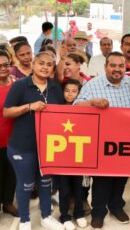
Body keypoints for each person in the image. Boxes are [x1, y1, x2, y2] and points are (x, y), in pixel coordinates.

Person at [4, 51, 65, 230]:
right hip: (22, 146)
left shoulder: (55, 87)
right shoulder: (21, 85)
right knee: (26, 184)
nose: (45, 67)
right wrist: (29, 107)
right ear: (33, 64)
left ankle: (46, 216)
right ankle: (25, 220)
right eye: (41, 63)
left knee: (46, 183)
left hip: (48, 146)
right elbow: (7, 112)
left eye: (49, 64)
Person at [74, 52, 130, 229]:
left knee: (121, 178)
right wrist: (92, 102)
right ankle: (98, 212)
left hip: (126, 141)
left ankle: (116, 206)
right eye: (113, 65)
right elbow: (75, 106)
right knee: (102, 180)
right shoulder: (92, 85)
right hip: (102, 143)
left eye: (120, 66)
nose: (117, 69)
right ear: (105, 66)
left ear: (125, 68)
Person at [58, 79, 87, 230]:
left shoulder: (83, 109)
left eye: (74, 91)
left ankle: (79, 213)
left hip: (79, 155)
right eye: (67, 90)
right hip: (62, 156)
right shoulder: (55, 108)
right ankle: (64, 216)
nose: (70, 94)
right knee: (64, 188)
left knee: (79, 187)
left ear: (79, 93)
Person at [0, 50, 18, 218]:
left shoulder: (17, 84)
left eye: (6, 64)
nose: (3, 68)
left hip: (13, 139)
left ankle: (7, 203)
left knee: (11, 173)